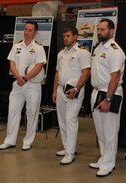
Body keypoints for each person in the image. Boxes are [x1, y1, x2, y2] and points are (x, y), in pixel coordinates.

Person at [0, 21, 46, 151]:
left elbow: (39, 66)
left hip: (32, 85)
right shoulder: (16, 46)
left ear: (35, 33)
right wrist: (18, 77)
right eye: (25, 29)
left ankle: (28, 141)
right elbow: (12, 63)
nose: (27, 32)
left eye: (30, 30)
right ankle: (10, 140)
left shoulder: (39, 48)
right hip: (18, 83)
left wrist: (26, 78)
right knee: (13, 111)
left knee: (31, 113)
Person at [89, 18, 125, 177]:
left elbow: (115, 77)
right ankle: (104, 158)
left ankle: (109, 164)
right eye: (98, 29)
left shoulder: (115, 50)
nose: (99, 32)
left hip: (109, 92)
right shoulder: (98, 48)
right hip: (97, 91)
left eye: (102, 29)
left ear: (112, 31)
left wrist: (108, 99)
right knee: (100, 130)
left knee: (110, 131)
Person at [52, 26, 91, 165]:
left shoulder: (82, 53)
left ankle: (70, 153)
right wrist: (54, 90)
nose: (65, 38)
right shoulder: (61, 53)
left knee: (70, 120)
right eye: (64, 36)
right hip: (61, 90)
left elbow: (86, 73)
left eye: (68, 36)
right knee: (62, 120)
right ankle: (66, 147)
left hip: (75, 91)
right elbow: (57, 72)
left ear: (75, 36)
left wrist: (76, 88)